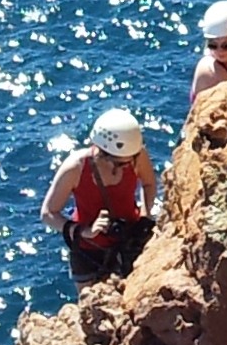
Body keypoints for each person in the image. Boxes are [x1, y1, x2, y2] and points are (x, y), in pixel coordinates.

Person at [43, 108, 159, 287]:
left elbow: (149, 183)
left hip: (129, 237)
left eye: (130, 161)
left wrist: (145, 214)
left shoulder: (135, 155)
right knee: (91, 305)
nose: (126, 166)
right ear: (102, 152)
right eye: (119, 163)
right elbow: (48, 213)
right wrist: (84, 231)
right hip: (88, 249)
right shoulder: (75, 168)